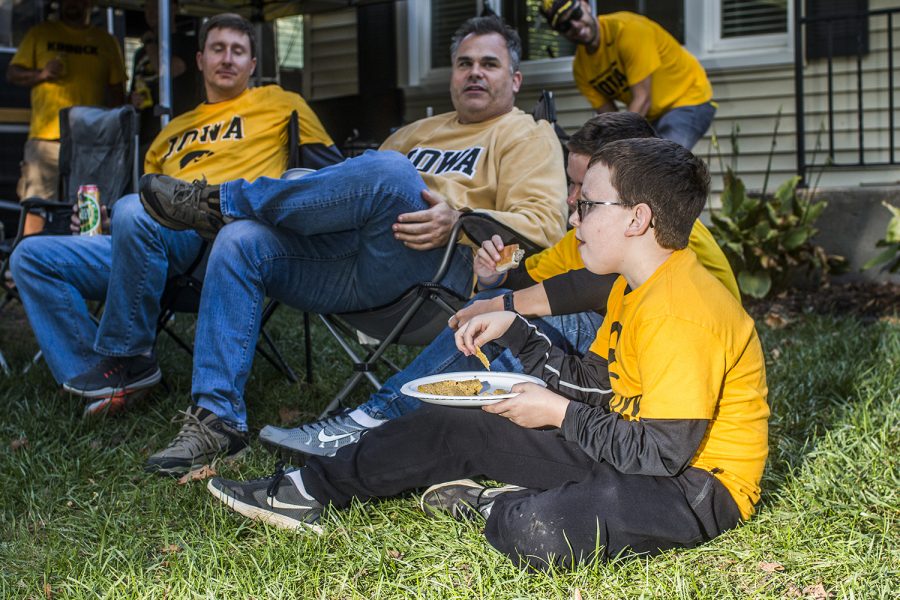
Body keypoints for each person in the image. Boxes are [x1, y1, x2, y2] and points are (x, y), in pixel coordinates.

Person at [206, 137, 770, 571]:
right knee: (450, 426)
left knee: (532, 532)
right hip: (627, 444)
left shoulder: (681, 310)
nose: (574, 219)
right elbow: (597, 384)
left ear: (637, 218)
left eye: (588, 204)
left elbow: (661, 456)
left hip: (695, 486)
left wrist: (556, 415)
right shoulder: (631, 285)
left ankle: (495, 505)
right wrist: (515, 329)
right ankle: (307, 491)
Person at [137, 15, 568, 475]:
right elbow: (354, 189)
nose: (475, 72)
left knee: (390, 172)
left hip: (437, 278)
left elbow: (544, 225)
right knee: (241, 239)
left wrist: (458, 219)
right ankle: (216, 421)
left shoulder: (525, 134)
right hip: (351, 263)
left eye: (489, 64)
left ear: (515, 79)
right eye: (464, 63)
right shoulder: (416, 133)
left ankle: (221, 200)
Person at [259, 111, 739, 462]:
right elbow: (538, 273)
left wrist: (502, 304)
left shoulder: (669, 233)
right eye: (574, 187)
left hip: (677, 390)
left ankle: (373, 421)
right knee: (507, 311)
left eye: (584, 191)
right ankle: (430, 427)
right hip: (626, 378)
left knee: (534, 315)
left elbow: (589, 289)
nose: (573, 202)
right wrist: (496, 277)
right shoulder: (593, 232)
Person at [10, 13, 341, 417]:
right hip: (147, 250)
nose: (228, 59)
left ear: (253, 65)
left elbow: (326, 172)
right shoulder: (171, 131)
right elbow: (139, 212)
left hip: (221, 241)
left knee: (138, 207)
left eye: (239, 52)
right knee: (30, 256)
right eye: (218, 49)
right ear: (200, 59)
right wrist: (108, 222)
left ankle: (129, 358)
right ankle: (100, 382)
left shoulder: (282, 102)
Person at [6, 0, 126, 233]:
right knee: (36, 203)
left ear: (90, 4)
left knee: (89, 204)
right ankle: (30, 259)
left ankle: (82, 261)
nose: (73, 3)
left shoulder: (105, 40)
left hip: (92, 141)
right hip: (46, 138)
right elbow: (12, 73)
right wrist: (42, 74)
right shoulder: (40, 32)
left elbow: (117, 94)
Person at [539, 0, 715, 150]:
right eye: (565, 25)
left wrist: (618, 145)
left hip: (688, 98)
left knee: (663, 164)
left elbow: (643, 98)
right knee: (638, 166)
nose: (575, 26)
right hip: (651, 115)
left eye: (575, 14)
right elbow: (612, 118)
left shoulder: (628, 31)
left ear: (585, 5)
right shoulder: (581, 68)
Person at [130, 0, 203, 160]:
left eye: (156, 4)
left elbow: (167, 71)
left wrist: (150, 43)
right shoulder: (140, 54)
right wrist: (134, 100)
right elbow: (132, 91)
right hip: (147, 137)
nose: (150, 10)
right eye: (146, 6)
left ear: (174, 7)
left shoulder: (188, 43)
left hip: (179, 136)